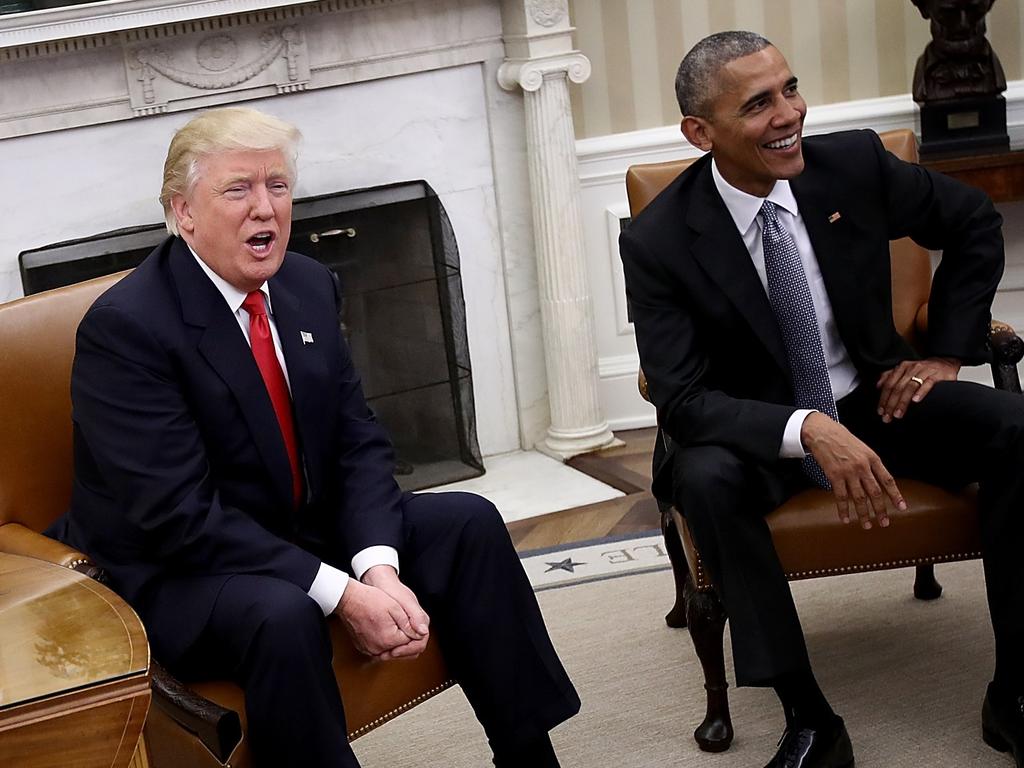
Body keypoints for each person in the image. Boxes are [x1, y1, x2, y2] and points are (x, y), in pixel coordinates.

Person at [48, 106, 580, 768]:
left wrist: (376, 567)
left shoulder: (305, 284)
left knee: (467, 523)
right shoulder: (128, 329)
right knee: (282, 613)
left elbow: (357, 442)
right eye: (237, 189)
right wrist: (342, 593)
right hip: (177, 570)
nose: (264, 208)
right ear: (183, 212)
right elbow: (178, 516)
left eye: (277, 185)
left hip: (292, 529)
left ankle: (529, 755)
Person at [620, 30, 1024, 768]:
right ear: (700, 132)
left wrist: (943, 352)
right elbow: (681, 398)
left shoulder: (852, 166)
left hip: (876, 399)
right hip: (756, 431)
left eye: (790, 89)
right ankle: (809, 717)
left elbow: (971, 221)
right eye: (759, 104)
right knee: (704, 478)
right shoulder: (660, 241)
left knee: (1018, 427)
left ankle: (1018, 693)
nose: (789, 114)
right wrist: (804, 427)